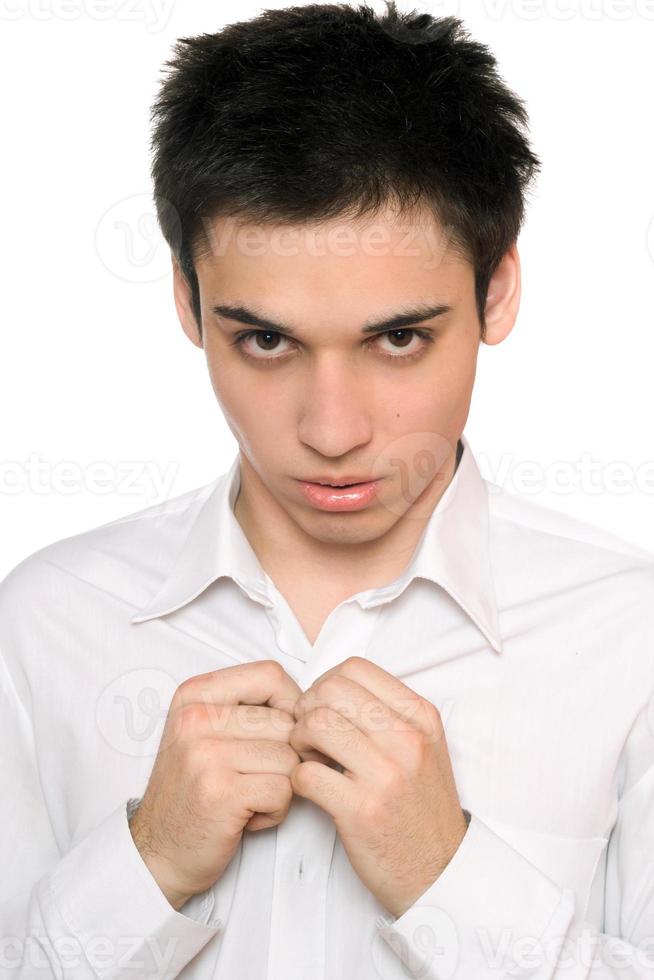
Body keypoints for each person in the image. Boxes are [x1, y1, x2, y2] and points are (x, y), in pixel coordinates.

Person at [1, 2, 653, 978]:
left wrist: (450, 878)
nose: (332, 431)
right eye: (266, 340)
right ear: (187, 300)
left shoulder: (630, 636)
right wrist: (147, 866)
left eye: (399, 338)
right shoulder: (46, 622)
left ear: (499, 291)